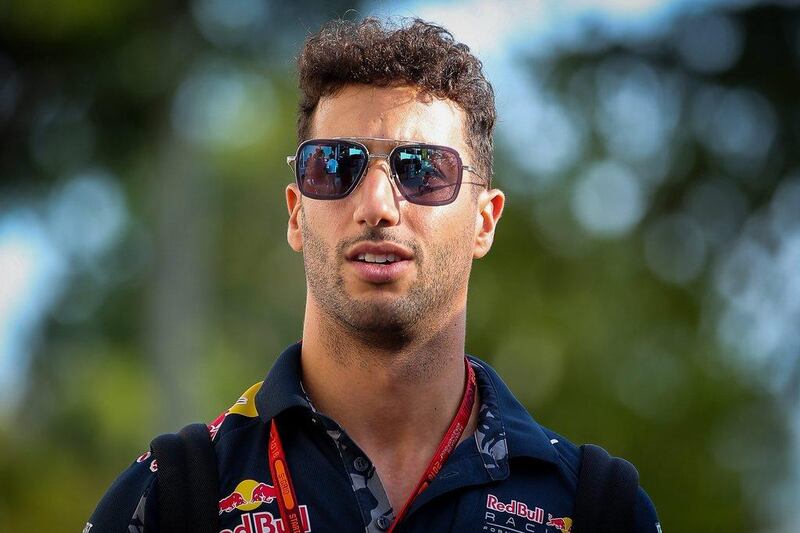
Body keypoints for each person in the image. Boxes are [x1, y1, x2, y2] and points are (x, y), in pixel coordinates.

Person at [87, 17, 661, 533]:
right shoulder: (175, 496)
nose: (378, 206)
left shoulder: (594, 509)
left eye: (424, 170)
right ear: (295, 212)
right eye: (335, 165)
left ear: (484, 221)